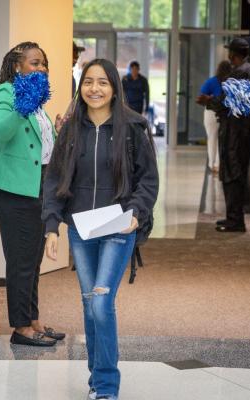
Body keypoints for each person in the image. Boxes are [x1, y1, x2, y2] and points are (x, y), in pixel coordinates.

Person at [43, 59, 159, 400]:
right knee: (89, 302)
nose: (95, 88)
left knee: (101, 303)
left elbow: (148, 179)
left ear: (114, 88)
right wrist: (52, 227)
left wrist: (137, 211)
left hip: (119, 224)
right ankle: (97, 379)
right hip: (81, 226)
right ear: (81, 87)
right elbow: (54, 180)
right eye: (88, 82)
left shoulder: (134, 127)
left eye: (103, 82)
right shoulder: (70, 129)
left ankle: (107, 386)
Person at [0, 42, 64, 347]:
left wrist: (57, 130)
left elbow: (40, 144)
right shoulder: (6, 92)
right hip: (12, 188)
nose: (41, 68)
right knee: (20, 259)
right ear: (17, 66)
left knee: (33, 258)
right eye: (34, 63)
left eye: (43, 63)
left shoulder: (38, 98)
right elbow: (1, 131)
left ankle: (33, 320)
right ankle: (20, 328)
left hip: (39, 184)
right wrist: (23, 105)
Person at [200, 37, 250, 232]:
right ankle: (233, 216)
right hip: (239, 131)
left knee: (233, 173)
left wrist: (208, 100)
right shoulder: (247, 71)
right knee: (234, 172)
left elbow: (225, 102)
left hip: (235, 132)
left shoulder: (240, 73)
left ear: (233, 54)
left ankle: (235, 219)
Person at [196, 60, 232, 173]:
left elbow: (200, 97)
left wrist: (210, 99)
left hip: (211, 113)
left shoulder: (211, 81)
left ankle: (212, 164)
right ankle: (218, 164)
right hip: (224, 113)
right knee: (222, 139)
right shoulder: (230, 82)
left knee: (212, 138)